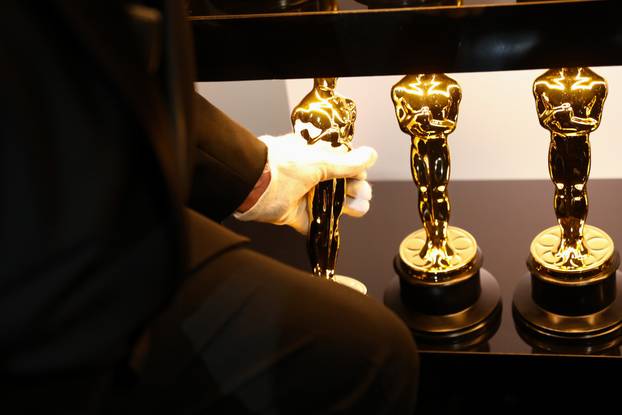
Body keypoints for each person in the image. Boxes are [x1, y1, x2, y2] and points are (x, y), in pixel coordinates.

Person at [1, 1, 419, 413]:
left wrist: (256, 173)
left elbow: (102, 54)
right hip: (40, 252)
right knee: (365, 355)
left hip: (85, 190)